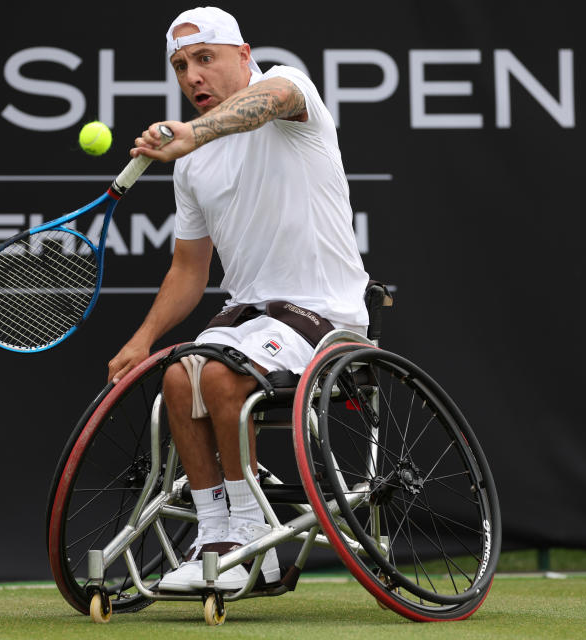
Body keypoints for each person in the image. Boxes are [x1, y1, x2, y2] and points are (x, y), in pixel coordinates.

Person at [107, 6, 370, 592]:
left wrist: (192, 132)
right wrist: (141, 340)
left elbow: (270, 98)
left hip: (324, 312)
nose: (192, 77)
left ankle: (254, 543)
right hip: (249, 316)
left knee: (222, 380)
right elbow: (188, 270)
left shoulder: (288, 88)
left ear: (244, 56)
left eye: (206, 59)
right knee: (179, 377)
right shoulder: (191, 165)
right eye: (180, 66)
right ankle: (216, 537)